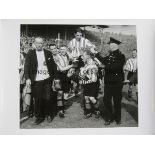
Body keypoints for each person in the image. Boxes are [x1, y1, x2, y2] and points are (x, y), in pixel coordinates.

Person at [91, 37, 125, 125]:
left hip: (117, 82)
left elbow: (117, 67)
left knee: (117, 101)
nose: (109, 46)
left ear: (114, 45)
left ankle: (118, 118)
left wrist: (104, 67)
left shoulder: (121, 56)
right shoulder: (110, 55)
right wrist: (95, 53)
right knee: (106, 100)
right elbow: (103, 60)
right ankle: (109, 117)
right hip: (108, 82)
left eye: (110, 45)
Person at [24, 37, 57, 125]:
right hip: (36, 80)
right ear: (34, 43)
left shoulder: (48, 53)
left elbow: (53, 66)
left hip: (47, 79)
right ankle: (39, 117)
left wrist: (54, 77)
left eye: (41, 43)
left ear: (43, 44)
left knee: (47, 98)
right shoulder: (30, 53)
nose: (39, 45)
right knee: (38, 99)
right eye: (37, 43)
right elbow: (26, 66)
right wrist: (27, 78)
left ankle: (48, 114)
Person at [49, 44, 74, 118]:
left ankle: (62, 106)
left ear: (66, 50)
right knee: (60, 93)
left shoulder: (67, 56)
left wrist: (71, 70)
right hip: (59, 76)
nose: (63, 51)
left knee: (66, 93)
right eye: (61, 49)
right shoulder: (57, 57)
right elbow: (61, 68)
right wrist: (72, 65)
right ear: (59, 50)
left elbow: (72, 59)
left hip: (66, 77)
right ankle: (60, 110)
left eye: (64, 49)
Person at [79, 50, 100, 118]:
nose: (82, 57)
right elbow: (83, 76)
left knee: (91, 98)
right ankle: (89, 112)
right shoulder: (85, 63)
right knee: (86, 98)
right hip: (86, 84)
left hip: (93, 84)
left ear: (88, 56)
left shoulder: (93, 64)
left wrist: (84, 74)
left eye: (83, 55)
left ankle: (97, 110)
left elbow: (93, 79)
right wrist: (81, 77)